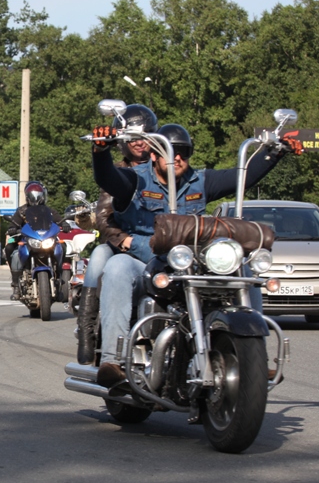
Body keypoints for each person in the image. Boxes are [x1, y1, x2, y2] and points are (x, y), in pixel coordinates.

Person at [89, 121, 303, 386]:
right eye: (171, 151)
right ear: (154, 154)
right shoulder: (135, 179)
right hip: (143, 257)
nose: (177, 157)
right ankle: (114, 360)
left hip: (189, 259)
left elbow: (243, 175)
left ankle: (255, 355)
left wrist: (276, 151)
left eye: (184, 152)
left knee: (243, 271)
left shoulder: (199, 180)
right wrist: (100, 151)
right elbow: (107, 178)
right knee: (117, 268)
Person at [79, 104, 159, 359]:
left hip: (160, 245)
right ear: (121, 140)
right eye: (132, 138)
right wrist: (123, 240)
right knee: (99, 257)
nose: (138, 143)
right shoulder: (118, 172)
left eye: (144, 136)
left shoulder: (166, 168)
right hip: (122, 245)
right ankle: (87, 333)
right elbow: (103, 217)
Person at [5, 181, 71, 300]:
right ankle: (16, 283)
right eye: (33, 195)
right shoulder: (21, 211)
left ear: (43, 195)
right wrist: (12, 228)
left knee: (62, 246)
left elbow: (59, 220)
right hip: (27, 239)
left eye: (38, 195)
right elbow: (13, 223)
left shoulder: (48, 211)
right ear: (27, 196)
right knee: (10, 249)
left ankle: (60, 276)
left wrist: (65, 224)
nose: (36, 198)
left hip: (45, 239)